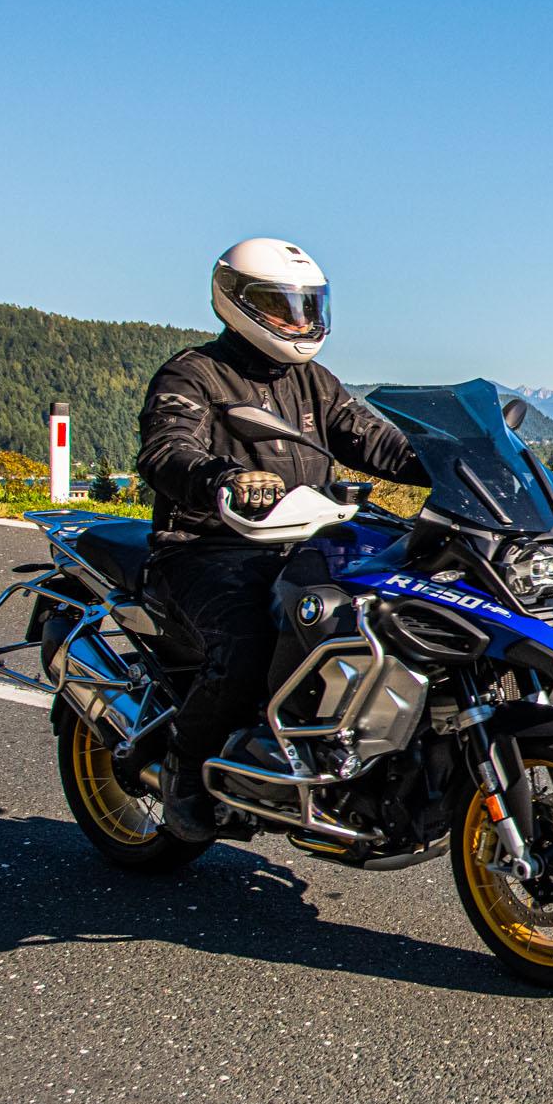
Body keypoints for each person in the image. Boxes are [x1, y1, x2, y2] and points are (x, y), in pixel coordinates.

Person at [136, 238, 426, 841]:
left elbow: (372, 439)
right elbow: (167, 449)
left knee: (394, 610)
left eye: (306, 306)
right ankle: (184, 774)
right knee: (245, 644)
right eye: (282, 307)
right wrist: (221, 478)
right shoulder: (193, 374)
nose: (298, 321)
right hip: (206, 546)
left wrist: (444, 462)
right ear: (236, 301)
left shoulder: (313, 381)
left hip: (306, 542)